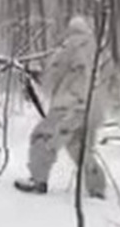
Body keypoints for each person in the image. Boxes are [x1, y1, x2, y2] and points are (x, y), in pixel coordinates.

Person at [14, 15, 109, 199]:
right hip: (91, 108)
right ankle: (97, 188)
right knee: (79, 147)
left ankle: (37, 180)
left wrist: (35, 77)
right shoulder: (98, 52)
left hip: (68, 105)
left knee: (42, 137)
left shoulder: (69, 46)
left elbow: (53, 75)